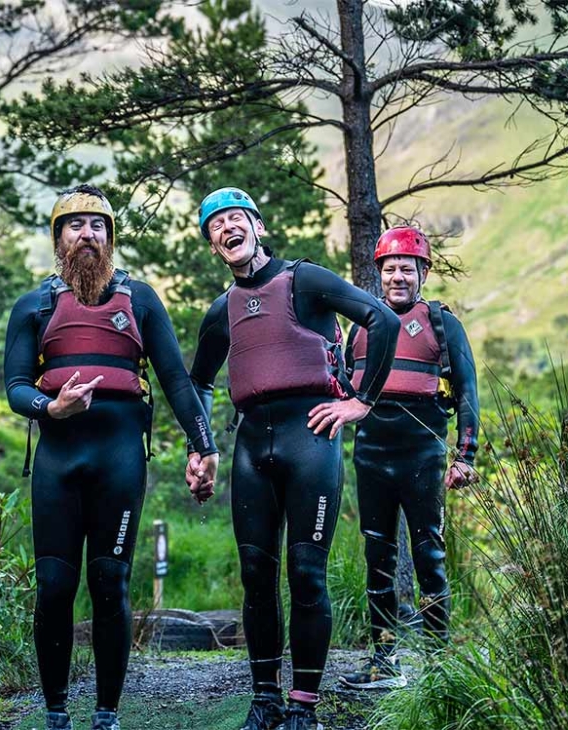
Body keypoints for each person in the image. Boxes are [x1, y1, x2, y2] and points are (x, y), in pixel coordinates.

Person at [4, 185, 219, 730]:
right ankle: (55, 712)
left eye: (97, 226)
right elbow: (13, 387)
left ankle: (106, 713)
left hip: (120, 458)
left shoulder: (140, 299)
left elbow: (174, 378)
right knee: (54, 588)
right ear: (58, 239)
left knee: (110, 582)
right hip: (58, 459)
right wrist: (51, 407)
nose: (86, 235)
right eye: (74, 225)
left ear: (110, 238)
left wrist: (204, 446)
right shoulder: (34, 305)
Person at [187, 187, 399, 730]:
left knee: (306, 574)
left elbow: (384, 321)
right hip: (252, 447)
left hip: (312, 438)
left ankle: (303, 707)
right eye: (215, 226)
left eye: (235, 219)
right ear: (214, 245)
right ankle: (265, 702)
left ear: (258, 226)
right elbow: (197, 383)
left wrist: (360, 402)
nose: (226, 229)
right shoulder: (221, 312)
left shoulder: (305, 279)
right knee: (256, 574)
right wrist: (201, 447)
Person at [338, 225, 479, 690]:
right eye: (390, 268)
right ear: (379, 274)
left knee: (429, 556)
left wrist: (466, 455)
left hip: (423, 457)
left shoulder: (441, 322)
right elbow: (338, 386)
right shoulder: (361, 324)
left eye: (407, 268)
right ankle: (383, 660)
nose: (398, 277)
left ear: (422, 273)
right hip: (371, 455)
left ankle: (439, 666)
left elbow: (467, 391)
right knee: (376, 555)